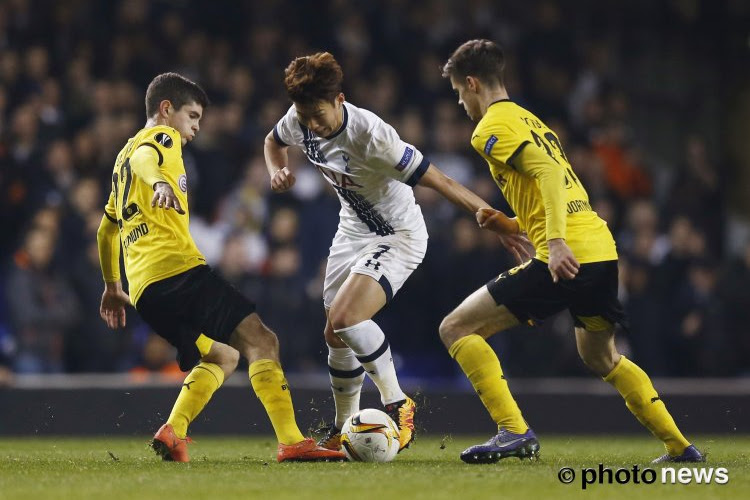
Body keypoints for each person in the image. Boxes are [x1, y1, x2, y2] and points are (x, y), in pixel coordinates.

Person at [439, 40, 703, 464]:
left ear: (472, 83)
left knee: (455, 329)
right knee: (601, 356)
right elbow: (557, 187)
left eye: (458, 92)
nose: (460, 101)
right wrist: (513, 223)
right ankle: (679, 446)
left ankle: (513, 431)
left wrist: (556, 242)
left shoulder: (488, 128)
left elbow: (544, 173)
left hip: (564, 256)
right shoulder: (531, 121)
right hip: (599, 249)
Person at [264, 52, 522, 453]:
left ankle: (398, 403)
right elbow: (273, 142)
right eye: (304, 115)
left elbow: (438, 179)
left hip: (398, 235)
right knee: (334, 333)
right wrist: (275, 170)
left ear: (340, 100)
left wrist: (487, 214)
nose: (312, 125)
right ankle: (342, 426)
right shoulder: (300, 119)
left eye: (318, 114)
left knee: (348, 318)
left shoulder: (372, 136)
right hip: (351, 232)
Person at [97, 72, 345, 463]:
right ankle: (292, 441)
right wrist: (160, 182)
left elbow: (106, 229)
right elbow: (150, 158)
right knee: (263, 341)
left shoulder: (120, 159)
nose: (195, 127)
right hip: (178, 273)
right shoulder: (161, 139)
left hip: (145, 292)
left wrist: (113, 285)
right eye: (192, 116)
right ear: (166, 109)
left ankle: (173, 431)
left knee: (224, 357)